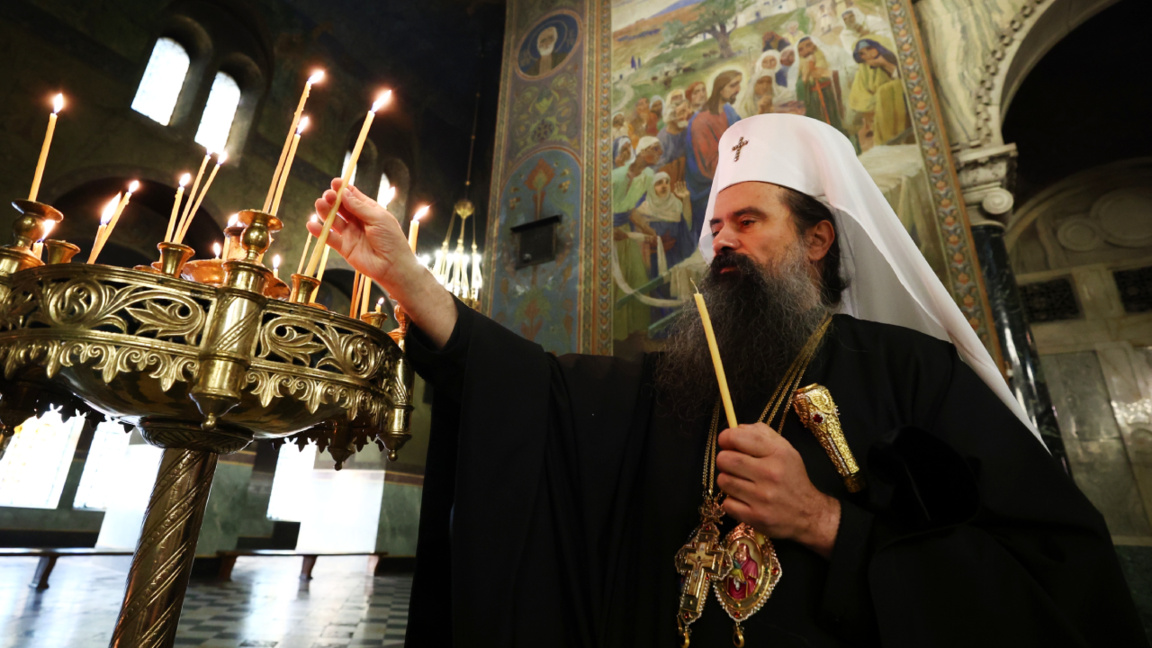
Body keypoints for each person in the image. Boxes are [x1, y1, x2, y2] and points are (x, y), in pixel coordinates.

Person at [310, 114, 1147, 647]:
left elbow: (1050, 580)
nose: (723, 243)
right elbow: (543, 399)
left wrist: (825, 521)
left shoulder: (912, 373)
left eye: (748, 221)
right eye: (715, 227)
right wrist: (411, 283)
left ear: (817, 240)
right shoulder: (673, 379)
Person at [685, 70, 742, 235]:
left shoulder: (728, 111)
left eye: (739, 84)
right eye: (733, 85)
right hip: (709, 191)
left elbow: (743, 134)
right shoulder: (701, 122)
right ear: (720, 89)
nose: (738, 89)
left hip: (732, 173)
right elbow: (710, 167)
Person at [849, 38, 910, 147]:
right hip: (875, 102)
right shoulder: (864, 68)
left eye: (869, 49)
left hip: (897, 97)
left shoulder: (888, 58)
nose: (867, 54)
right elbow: (860, 89)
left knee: (884, 90)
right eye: (862, 53)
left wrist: (884, 63)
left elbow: (902, 76)